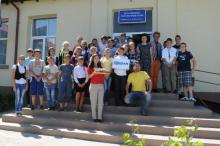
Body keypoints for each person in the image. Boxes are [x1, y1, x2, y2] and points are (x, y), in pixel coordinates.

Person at [87, 54, 108, 122]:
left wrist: (106, 73)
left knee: (100, 102)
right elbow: (89, 77)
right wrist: (94, 72)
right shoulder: (90, 67)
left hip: (101, 86)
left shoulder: (101, 67)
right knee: (93, 102)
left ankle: (99, 117)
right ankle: (94, 117)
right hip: (93, 86)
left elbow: (105, 77)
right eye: (95, 58)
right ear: (92, 59)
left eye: (98, 58)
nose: (96, 59)